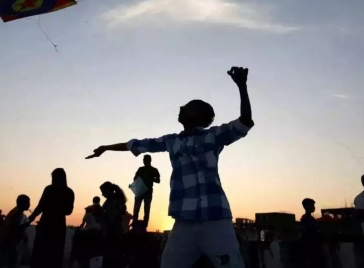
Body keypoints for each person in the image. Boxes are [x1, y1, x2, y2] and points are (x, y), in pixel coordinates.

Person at [86, 66, 254, 268]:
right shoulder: (171, 141)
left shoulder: (213, 136)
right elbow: (137, 144)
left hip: (215, 220)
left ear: (199, 115)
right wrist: (106, 148)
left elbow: (244, 122)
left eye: (188, 106)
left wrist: (242, 86)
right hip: (184, 222)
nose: (181, 108)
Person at [28, 168, 75, 268]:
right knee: (56, 254)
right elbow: (69, 211)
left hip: (46, 225)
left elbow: (40, 206)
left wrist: (31, 218)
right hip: (58, 226)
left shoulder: (49, 189)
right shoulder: (69, 192)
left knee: (40, 254)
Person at [0, 195, 31, 268]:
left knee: (5, 259)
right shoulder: (16, 214)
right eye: (28, 202)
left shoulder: (16, 212)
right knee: (9, 259)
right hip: (8, 239)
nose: (29, 204)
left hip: (7, 239)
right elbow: (15, 227)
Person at [99, 181, 128, 268]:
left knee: (112, 259)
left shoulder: (114, 201)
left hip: (113, 233)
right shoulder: (112, 201)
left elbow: (113, 215)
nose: (102, 194)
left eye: (103, 192)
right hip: (112, 232)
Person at [132, 154, 160, 229]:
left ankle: (144, 226)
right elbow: (135, 178)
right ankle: (134, 224)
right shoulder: (141, 169)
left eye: (146, 160)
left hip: (148, 192)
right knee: (136, 209)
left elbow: (158, 180)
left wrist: (150, 179)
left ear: (149, 161)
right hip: (140, 191)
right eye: (144, 160)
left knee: (146, 210)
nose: (144, 162)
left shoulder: (154, 170)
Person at [300, 198, 325, 268]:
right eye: (312, 205)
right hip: (312, 247)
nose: (314, 207)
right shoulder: (306, 219)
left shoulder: (309, 218)